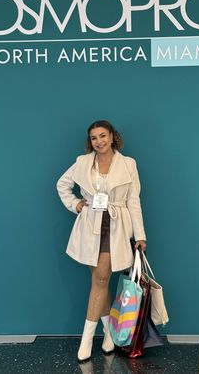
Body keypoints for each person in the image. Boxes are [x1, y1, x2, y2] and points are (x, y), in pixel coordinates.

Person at [56, 120, 147, 363]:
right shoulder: (83, 162)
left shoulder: (128, 164)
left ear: (112, 137)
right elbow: (62, 184)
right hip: (90, 226)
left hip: (115, 226)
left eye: (103, 136)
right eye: (94, 137)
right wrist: (75, 204)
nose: (99, 141)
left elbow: (133, 200)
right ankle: (108, 333)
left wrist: (140, 235)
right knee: (100, 280)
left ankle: (86, 340)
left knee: (101, 279)